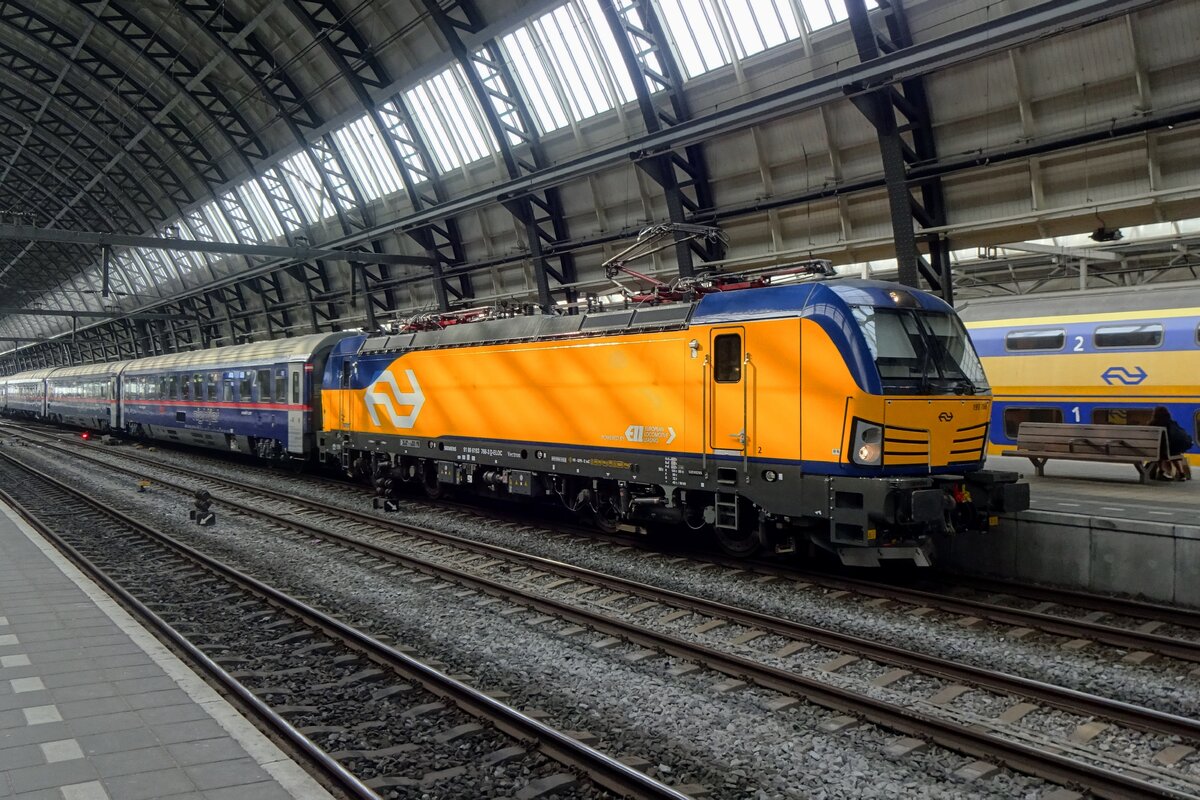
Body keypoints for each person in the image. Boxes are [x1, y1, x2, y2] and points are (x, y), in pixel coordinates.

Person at [1148, 406, 1193, 481]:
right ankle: (1181, 474)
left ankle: (1161, 471)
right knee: (1173, 453)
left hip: (1154, 451)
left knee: (1160, 451)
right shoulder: (1172, 424)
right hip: (1167, 452)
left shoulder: (1151, 424)